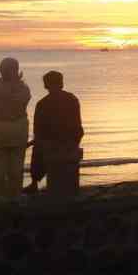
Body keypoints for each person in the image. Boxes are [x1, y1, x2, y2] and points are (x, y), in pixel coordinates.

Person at [0, 57, 31, 204]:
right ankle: (15, 195)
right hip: (17, 129)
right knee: (16, 166)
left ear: (1, 70)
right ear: (16, 70)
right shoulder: (22, 88)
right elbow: (24, 101)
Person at [29, 70, 84, 199]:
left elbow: (38, 130)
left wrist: (35, 141)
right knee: (41, 142)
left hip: (53, 143)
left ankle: (34, 182)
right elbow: (77, 124)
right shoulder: (72, 98)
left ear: (45, 85)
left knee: (37, 146)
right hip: (71, 140)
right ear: (61, 83)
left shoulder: (42, 104)